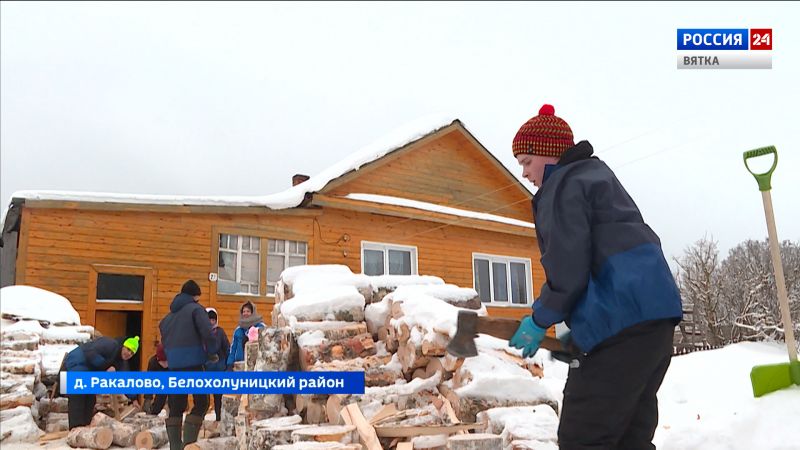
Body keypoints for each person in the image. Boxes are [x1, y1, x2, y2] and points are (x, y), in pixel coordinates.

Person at [508, 104, 683, 450]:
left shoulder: (561, 187)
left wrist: (540, 317)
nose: (525, 173)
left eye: (527, 161)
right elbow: (603, 258)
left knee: (582, 438)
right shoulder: (598, 177)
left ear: (550, 154)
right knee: (629, 438)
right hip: (656, 322)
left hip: (620, 327)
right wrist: (580, 330)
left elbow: (567, 267)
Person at [159, 280, 218, 449]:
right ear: (194, 296)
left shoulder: (168, 318)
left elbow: (163, 337)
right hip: (194, 363)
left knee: (176, 405)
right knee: (201, 403)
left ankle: (175, 447)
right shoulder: (196, 310)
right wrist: (212, 352)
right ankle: (189, 445)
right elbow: (207, 332)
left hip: (175, 366)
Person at [63, 335, 139, 429]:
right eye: (128, 349)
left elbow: (124, 380)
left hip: (90, 371)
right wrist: (105, 366)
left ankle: (85, 429)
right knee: (78, 397)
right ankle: (75, 429)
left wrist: (134, 399)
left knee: (90, 400)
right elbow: (90, 352)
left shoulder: (121, 363)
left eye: (132, 353)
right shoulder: (111, 344)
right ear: (123, 346)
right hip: (78, 361)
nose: (129, 354)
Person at [204, 307, 230, 421]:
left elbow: (227, 348)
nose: (211, 322)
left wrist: (228, 365)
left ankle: (219, 418)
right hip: (206, 368)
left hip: (219, 368)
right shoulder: (202, 333)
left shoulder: (220, 332)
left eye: (213, 320)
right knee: (203, 397)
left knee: (218, 396)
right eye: (209, 320)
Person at [226, 301, 265, 368]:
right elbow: (233, 349)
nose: (245, 313)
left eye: (248, 311)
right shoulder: (238, 330)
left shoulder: (261, 327)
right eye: (243, 312)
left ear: (253, 313)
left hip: (256, 365)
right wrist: (229, 363)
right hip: (239, 364)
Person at [142, 343, 168, 415]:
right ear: (157, 359)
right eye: (162, 362)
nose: (165, 364)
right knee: (156, 408)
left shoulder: (176, 364)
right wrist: (148, 398)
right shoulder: (153, 362)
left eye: (166, 361)